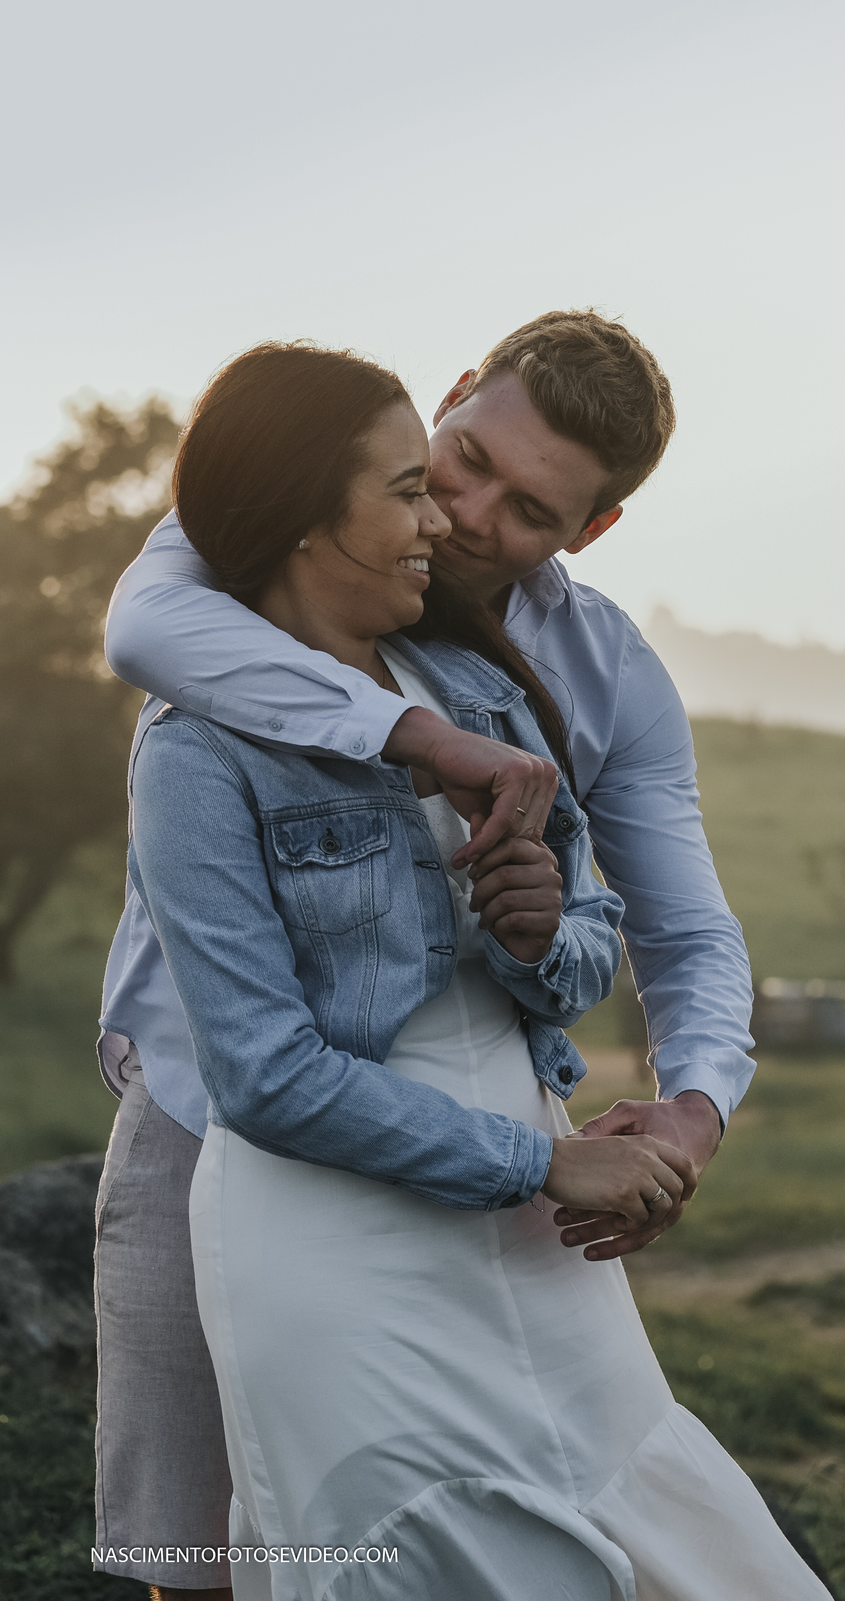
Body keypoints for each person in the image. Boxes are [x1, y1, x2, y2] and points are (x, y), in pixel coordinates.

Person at [111, 340, 821, 1601]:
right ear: (445, 407)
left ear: (592, 528)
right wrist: (422, 742)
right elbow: (141, 630)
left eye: (533, 509)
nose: (472, 518)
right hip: (203, 1111)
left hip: (498, 1151)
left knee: (581, 1512)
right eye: (464, 464)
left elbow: (673, 932)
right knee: (210, 1549)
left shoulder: (570, 676)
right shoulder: (220, 569)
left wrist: (688, 1106)